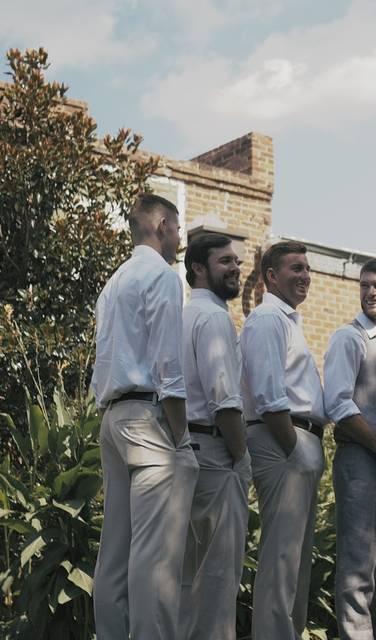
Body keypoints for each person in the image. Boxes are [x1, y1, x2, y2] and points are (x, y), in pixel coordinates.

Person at [92, 193, 200, 640]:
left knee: (114, 556)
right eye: (176, 229)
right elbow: (169, 366)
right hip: (149, 419)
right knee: (154, 560)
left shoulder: (114, 282)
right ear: (159, 223)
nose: (179, 240)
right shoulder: (162, 275)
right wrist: (183, 437)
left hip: (112, 419)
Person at [240, 240, 326, 639]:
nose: (305, 275)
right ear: (271, 276)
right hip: (283, 443)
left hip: (298, 442)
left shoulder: (289, 321)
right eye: (296, 268)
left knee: (295, 564)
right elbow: (268, 395)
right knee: (280, 561)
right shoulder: (267, 319)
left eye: (307, 269)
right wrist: (295, 449)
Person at [324, 257, 376, 640]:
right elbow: (339, 405)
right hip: (360, 461)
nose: (371, 293)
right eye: (365, 285)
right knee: (358, 570)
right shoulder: (348, 338)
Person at [178, 233, 252, 640]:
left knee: (187, 578)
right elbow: (225, 400)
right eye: (225, 261)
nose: (235, 268)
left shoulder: (182, 316)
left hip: (185, 449)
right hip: (215, 454)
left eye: (237, 262)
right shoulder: (213, 318)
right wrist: (242, 459)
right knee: (218, 579)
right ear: (198, 269)